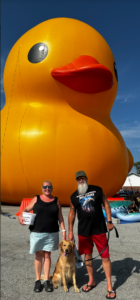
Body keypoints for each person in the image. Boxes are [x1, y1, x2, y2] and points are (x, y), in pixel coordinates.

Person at [68, 171, 116, 299]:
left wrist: (109, 221)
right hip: (84, 231)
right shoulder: (74, 196)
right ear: (76, 180)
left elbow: (106, 204)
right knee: (87, 255)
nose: (81, 180)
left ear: (86, 178)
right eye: (78, 178)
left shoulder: (97, 190)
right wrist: (71, 231)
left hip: (99, 229)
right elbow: (72, 214)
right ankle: (91, 281)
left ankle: (109, 286)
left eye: (82, 178)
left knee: (105, 256)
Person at [18, 180, 66, 293]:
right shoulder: (36, 199)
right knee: (39, 255)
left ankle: (46, 281)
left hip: (52, 232)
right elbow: (26, 209)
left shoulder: (56, 201)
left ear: (52, 188)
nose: (47, 188)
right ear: (41, 188)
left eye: (49, 186)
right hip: (37, 232)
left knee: (47, 255)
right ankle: (38, 280)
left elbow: (60, 217)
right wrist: (21, 215)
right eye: (45, 187)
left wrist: (64, 231)